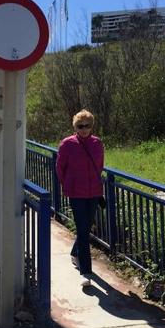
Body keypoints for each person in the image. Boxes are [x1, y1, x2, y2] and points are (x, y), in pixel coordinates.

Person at [55, 109, 104, 287]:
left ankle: (75, 252)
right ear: (75, 126)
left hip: (93, 192)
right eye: (80, 126)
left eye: (87, 126)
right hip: (76, 193)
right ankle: (86, 272)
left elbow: (100, 166)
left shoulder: (97, 143)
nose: (84, 129)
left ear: (92, 126)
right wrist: (67, 184)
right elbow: (60, 168)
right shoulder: (67, 144)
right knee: (83, 231)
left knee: (85, 229)